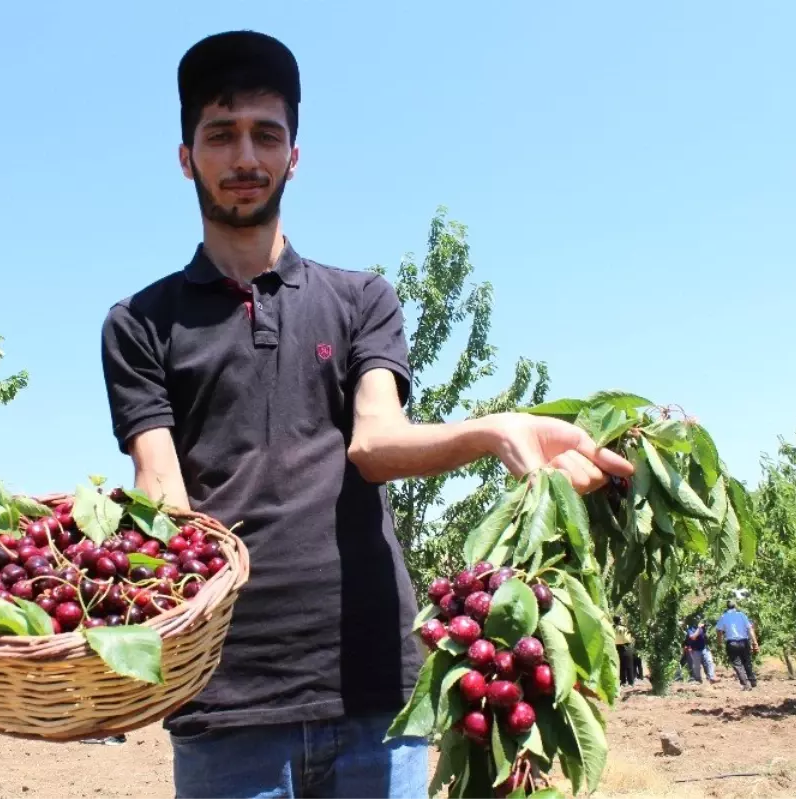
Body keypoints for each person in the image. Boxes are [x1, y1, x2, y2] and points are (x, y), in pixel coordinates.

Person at [99, 29, 635, 798]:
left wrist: (497, 431)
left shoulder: (360, 300)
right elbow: (162, 492)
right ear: (186, 155)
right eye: (220, 135)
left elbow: (375, 443)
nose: (245, 157)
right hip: (225, 696)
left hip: (374, 686)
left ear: (294, 154)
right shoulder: (140, 323)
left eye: (266, 134)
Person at [715, 600, 759, 689]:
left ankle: (745, 684)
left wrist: (719, 643)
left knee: (737, 664)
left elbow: (719, 631)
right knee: (747, 661)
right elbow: (750, 629)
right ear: (735, 606)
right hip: (744, 642)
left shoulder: (724, 617)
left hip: (732, 643)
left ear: (726, 607)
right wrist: (755, 642)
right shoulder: (741, 615)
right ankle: (753, 681)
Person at [685, 618, 718, 683]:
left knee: (709, 661)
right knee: (697, 666)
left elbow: (707, 635)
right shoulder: (690, 629)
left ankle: (711, 677)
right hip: (695, 650)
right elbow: (693, 637)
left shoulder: (703, 627)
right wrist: (699, 628)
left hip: (704, 648)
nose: (698, 620)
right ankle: (698, 680)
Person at [613, 616, 636, 687]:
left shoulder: (612, 628)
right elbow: (628, 638)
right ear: (619, 621)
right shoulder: (624, 628)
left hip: (617, 647)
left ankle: (623, 682)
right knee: (629, 665)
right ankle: (631, 682)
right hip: (626, 646)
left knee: (621, 666)